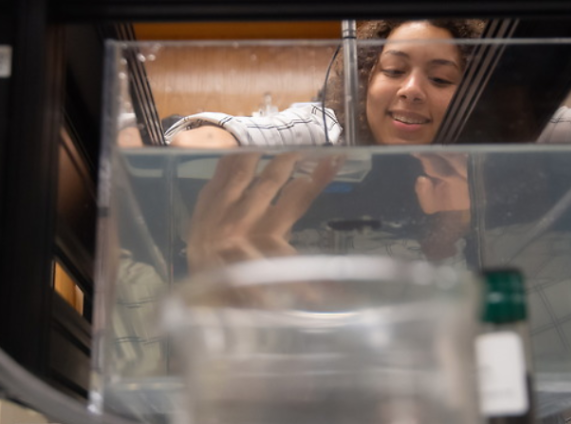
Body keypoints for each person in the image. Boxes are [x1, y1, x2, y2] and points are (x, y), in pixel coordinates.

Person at [167, 19, 485, 272]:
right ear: (366, 79)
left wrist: (457, 213)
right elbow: (205, 137)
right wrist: (211, 137)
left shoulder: (486, 166)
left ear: (474, 98)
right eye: (394, 71)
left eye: (441, 79)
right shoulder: (325, 125)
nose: (411, 90)